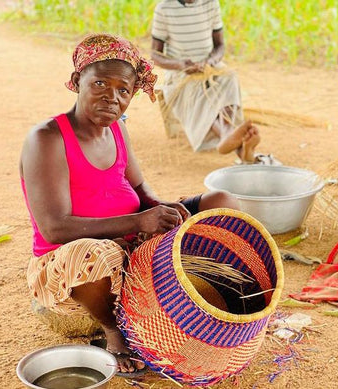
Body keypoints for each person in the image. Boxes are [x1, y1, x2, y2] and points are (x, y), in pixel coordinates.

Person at [19, 33, 239, 375]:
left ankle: (213, 300)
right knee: (91, 255)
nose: (112, 97)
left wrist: (163, 208)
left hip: (131, 243)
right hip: (70, 262)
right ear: (78, 81)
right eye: (101, 84)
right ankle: (114, 330)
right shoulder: (48, 138)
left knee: (222, 202)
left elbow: (140, 189)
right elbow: (54, 227)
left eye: (124, 90)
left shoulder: (117, 130)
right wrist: (138, 223)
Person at [150, 0, 260, 163]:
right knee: (197, 88)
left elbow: (220, 46)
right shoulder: (164, 8)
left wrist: (210, 62)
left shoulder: (210, 3)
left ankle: (227, 133)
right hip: (180, 74)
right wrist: (181, 65)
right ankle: (234, 141)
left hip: (210, 66)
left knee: (229, 77)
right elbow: (155, 55)